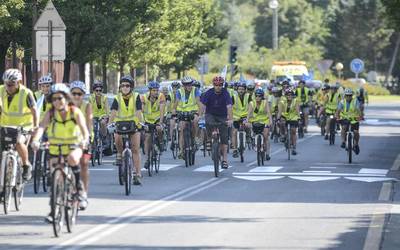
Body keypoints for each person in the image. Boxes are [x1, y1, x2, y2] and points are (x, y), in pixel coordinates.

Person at [31, 83, 89, 222]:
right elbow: (41, 128)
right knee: (53, 175)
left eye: (60, 98)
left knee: (73, 160)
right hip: (55, 147)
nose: (57, 101)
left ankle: (79, 189)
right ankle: (53, 211)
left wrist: (85, 140)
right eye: (54, 98)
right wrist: (36, 140)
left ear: (66, 98)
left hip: (74, 145)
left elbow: (84, 130)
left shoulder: (75, 112)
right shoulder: (50, 112)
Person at [0, 68, 38, 181]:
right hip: (5, 125)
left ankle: (26, 165)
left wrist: (35, 126)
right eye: (6, 84)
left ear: (19, 83)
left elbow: (34, 110)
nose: (8, 87)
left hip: (24, 126)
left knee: (18, 142)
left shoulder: (26, 93)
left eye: (11, 85)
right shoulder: (1, 90)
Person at [109, 75, 143, 185]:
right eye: (122, 85)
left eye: (127, 85)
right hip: (120, 124)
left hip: (133, 124)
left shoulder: (137, 96)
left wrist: (138, 124)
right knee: (117, 137)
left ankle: (137, 175)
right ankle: (119, 154)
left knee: (135, 149)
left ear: (131, 87)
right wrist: (110, 124)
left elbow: (138, 112)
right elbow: (113, 112)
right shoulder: (117, 98)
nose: (125, 87)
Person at [201, 76, 233, 169]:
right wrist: (200, 115)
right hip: (211, 114)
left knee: (224, 138)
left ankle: (225, 160)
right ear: (213, 85)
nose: (218, 87)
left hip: (222, 116)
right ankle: (209, 139)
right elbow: (203, 106)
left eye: (220, 85)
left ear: (222, 85)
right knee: (208, 122)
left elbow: (229, 107)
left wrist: (230, 119)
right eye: (216, 85)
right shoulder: (208, 93)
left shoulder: (225, 93)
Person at [70, 80, 92, 209]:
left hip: (84, 138)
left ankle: (83, 194)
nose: (77, 96)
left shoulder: (86, 105)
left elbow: (89, 123)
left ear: (83, 95)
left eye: (79, 94)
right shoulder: (65, 105)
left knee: (83, 164)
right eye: (74, 94)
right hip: (69, 138)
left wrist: (87, 139)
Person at [173, 76, 202, 159]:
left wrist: (199, 114)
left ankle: (196, 137)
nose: (189, 86)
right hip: (182, 112)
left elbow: (198, 102)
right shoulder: (179, 91)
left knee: (195, 121)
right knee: (181, 129)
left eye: (190, 84)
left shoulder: (195, 90)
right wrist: (174, 112)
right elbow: (176, 103)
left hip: (193, 111)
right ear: (183, 85)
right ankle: (181, 151)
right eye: (187, 85)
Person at [142, 81, 166, 169]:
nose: (156, 92)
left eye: (157, 90)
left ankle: (160, 142)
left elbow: (162, 110)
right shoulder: (144, 97)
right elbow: (141, 111)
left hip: (157, 118)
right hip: (147, 119)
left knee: (159, 129)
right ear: (150, 91)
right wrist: (142, 122)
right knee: (147, 137)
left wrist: (161, 121)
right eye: (154, 90)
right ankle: (147, 159)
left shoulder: (161, 96)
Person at [247, 88, 273, 160]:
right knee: (252, 132)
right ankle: (254, 141)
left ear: (262, 97)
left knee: (265, 136)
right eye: (256, 96)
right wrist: (247, 121)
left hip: (264, 121)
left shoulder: (265, 103)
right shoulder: (252, 103)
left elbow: (268, 113)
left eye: (259, 96)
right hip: (255, 121)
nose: (258, 97)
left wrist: (271, 121)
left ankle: (267, 153)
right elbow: (248, 114)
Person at [337, 88, 361, 154]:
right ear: (345, 96)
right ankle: (343, 142)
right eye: (347, 95)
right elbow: (338, 111)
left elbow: (358, 109)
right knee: (344, 129)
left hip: (354, 119)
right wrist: (337, 117)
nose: (348, 97)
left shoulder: (355, 101)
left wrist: (360, 116)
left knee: (356, 132)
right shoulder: (342, 102)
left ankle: (356, 144)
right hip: (345, 119)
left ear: (351, 96)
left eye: (350, 95)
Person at [278, 87, 300, 155]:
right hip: (285, 116)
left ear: (293, 96)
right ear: (286, 96)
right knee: (281, 122)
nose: (289, 96)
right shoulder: (282, 102)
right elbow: (280, 111)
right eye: (288, 95)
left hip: (293, 117)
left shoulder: (295, 101)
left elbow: (297, 110)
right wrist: (278, 118)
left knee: (293, 131)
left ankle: (294, 148)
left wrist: (299, 117)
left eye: (291, 95)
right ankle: (283, 135)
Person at [231, 81, 251, 158]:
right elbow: (230, 107)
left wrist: (249, 117)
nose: (241, 90)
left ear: (245, 90)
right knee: (234, 132)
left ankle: (248, 136)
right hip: (236, 116)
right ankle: (235, 150)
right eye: (239, 89)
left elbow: (251, 106)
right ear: (237, 90)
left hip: (246, 115)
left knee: (247, 126)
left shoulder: (248, 96)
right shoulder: (234, 96)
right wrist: (230, 117)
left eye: (242, 89)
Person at [168, 81, 180, 146]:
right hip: (172, 112)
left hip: (180, 112)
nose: (175, 89)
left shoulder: (181, 94)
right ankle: (172, 140)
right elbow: (168, 104)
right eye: (174, 88)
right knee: (172, 124)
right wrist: (168, 112)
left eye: (176, 88)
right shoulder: (170, 95)